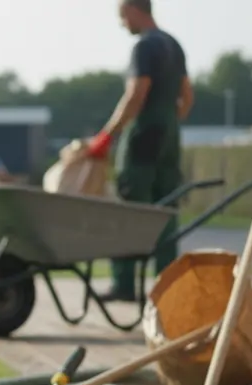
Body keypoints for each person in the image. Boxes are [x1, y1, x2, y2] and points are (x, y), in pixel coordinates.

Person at [85, 0, 194, 302]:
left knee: (129, 210)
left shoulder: (144, 47)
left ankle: (123, 284)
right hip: (169, 137)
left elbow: (136, 95)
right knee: (166, 211)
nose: (123, 24)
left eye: (122, 17)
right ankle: (168, 289)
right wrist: (169, 122)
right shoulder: (174, 45)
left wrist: (107, 134)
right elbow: (187, 96)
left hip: (143, 136)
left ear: (135, 10)